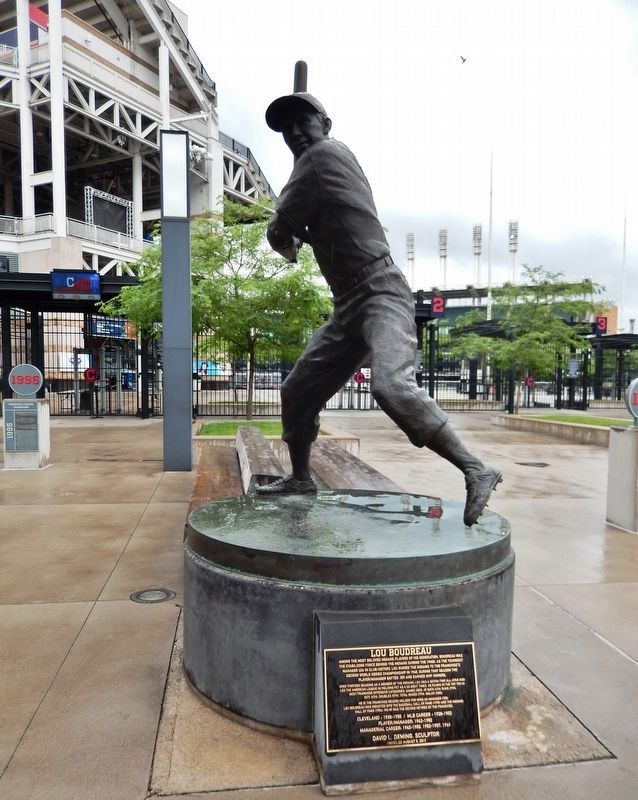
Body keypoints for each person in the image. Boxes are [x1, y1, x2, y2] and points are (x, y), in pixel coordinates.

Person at [256, 91, 501, 526]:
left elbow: (278, 230)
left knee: (391, 386)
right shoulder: (313, 170)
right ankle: (300, 478)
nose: (295, 132)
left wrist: (293, 233)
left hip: (380, 290)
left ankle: (476, 468)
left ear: (325, 124)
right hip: (347, 304)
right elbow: (292, 226)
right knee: (297, 391)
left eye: (303, 121)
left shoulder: (322, 155)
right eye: (286, 128)